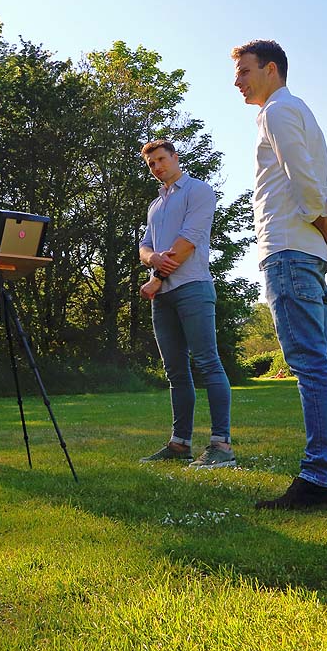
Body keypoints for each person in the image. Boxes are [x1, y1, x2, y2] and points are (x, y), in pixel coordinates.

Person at [232, 39, 327, 510]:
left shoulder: (277, 112)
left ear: (270, 69)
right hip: (308, 250)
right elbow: (319, 187)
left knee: (311, 365)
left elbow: (306, 185)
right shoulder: (299, 112)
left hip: (289, 251)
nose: (237, 81)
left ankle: (318, 479)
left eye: (244, 71)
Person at [136, 140, 236, 469]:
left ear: (175, 158)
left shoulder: (199, 191)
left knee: (208, 363)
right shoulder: (155, 205)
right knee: (175, 372)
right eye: (151, 164)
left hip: (193, 287)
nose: (157, 167)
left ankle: (222, 444)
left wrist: (156, 277)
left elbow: (189, 241)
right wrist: (152, 260)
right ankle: (180, 444)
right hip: (163, 300)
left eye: (161, 159)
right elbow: (145, 248)